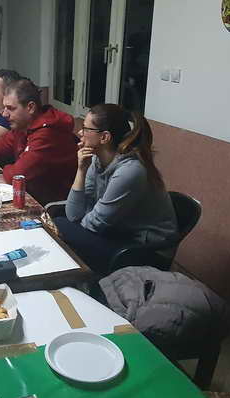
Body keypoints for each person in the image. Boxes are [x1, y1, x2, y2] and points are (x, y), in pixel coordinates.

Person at [55, 104, 179, 275]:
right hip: (121, 233)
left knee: (60, 225)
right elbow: (74, 214)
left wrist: (77, 224)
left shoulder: (130, 171)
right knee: (61, 222)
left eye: (86, 128)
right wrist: (81, 170)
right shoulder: (97, 160)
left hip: (147, 250)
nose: (80, 132)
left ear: (104, 137)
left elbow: (92, 224)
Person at [0, 78, 77, 205]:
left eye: (10, 108)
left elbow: (17, 176)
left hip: (53, 205)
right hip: (33, 194)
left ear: (30, 107)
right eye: (4, 108)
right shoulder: (23, 125)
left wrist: (4, 168)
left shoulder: (48, 134)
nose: (5, 114)